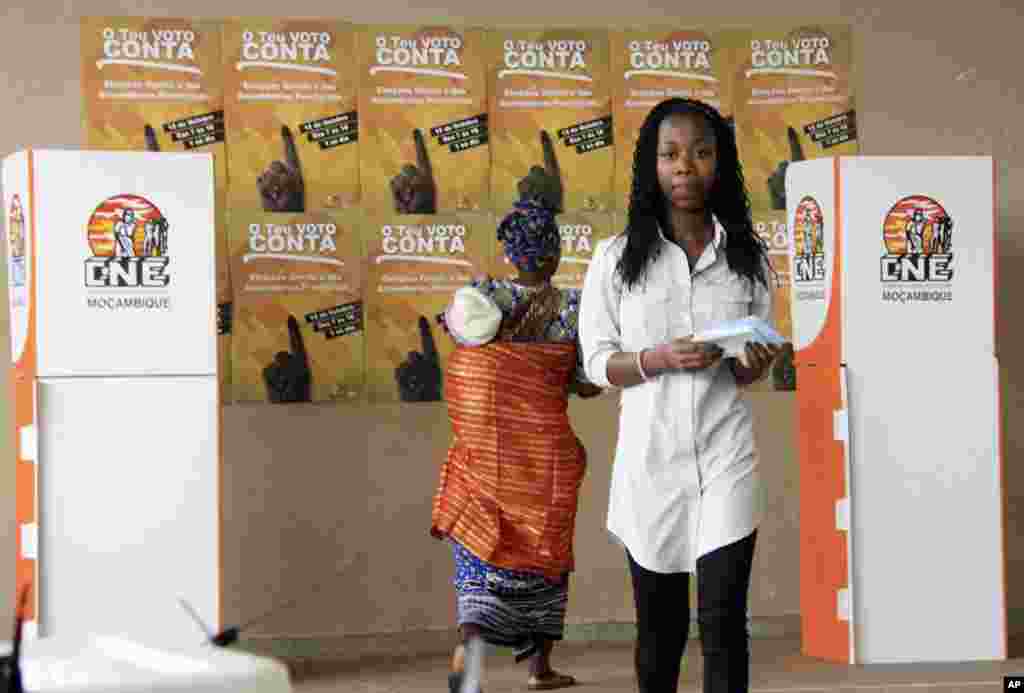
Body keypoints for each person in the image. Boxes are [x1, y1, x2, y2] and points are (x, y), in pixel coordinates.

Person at [578, 97, 781, 693]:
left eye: (700, 152)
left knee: (722, 622)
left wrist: (756, 366)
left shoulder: (748, 258)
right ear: (652, 165)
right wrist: (657, 358)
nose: (685, 167)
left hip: (726, 455)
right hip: (651, 464)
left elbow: (745, 370)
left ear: (720, 163)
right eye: (670, 155)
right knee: (660, 630)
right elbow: (594, 365)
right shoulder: (615, 260)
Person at [431, 198, 602, 693]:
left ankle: (471, 656)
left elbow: (466, 360)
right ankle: (539, 669)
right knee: (545, 556)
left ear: (510, 254)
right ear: (556, 255)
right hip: (545, 460)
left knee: (479, 556)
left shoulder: (480, 295)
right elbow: (586, 383)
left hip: (484, 457)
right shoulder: (573, 308)